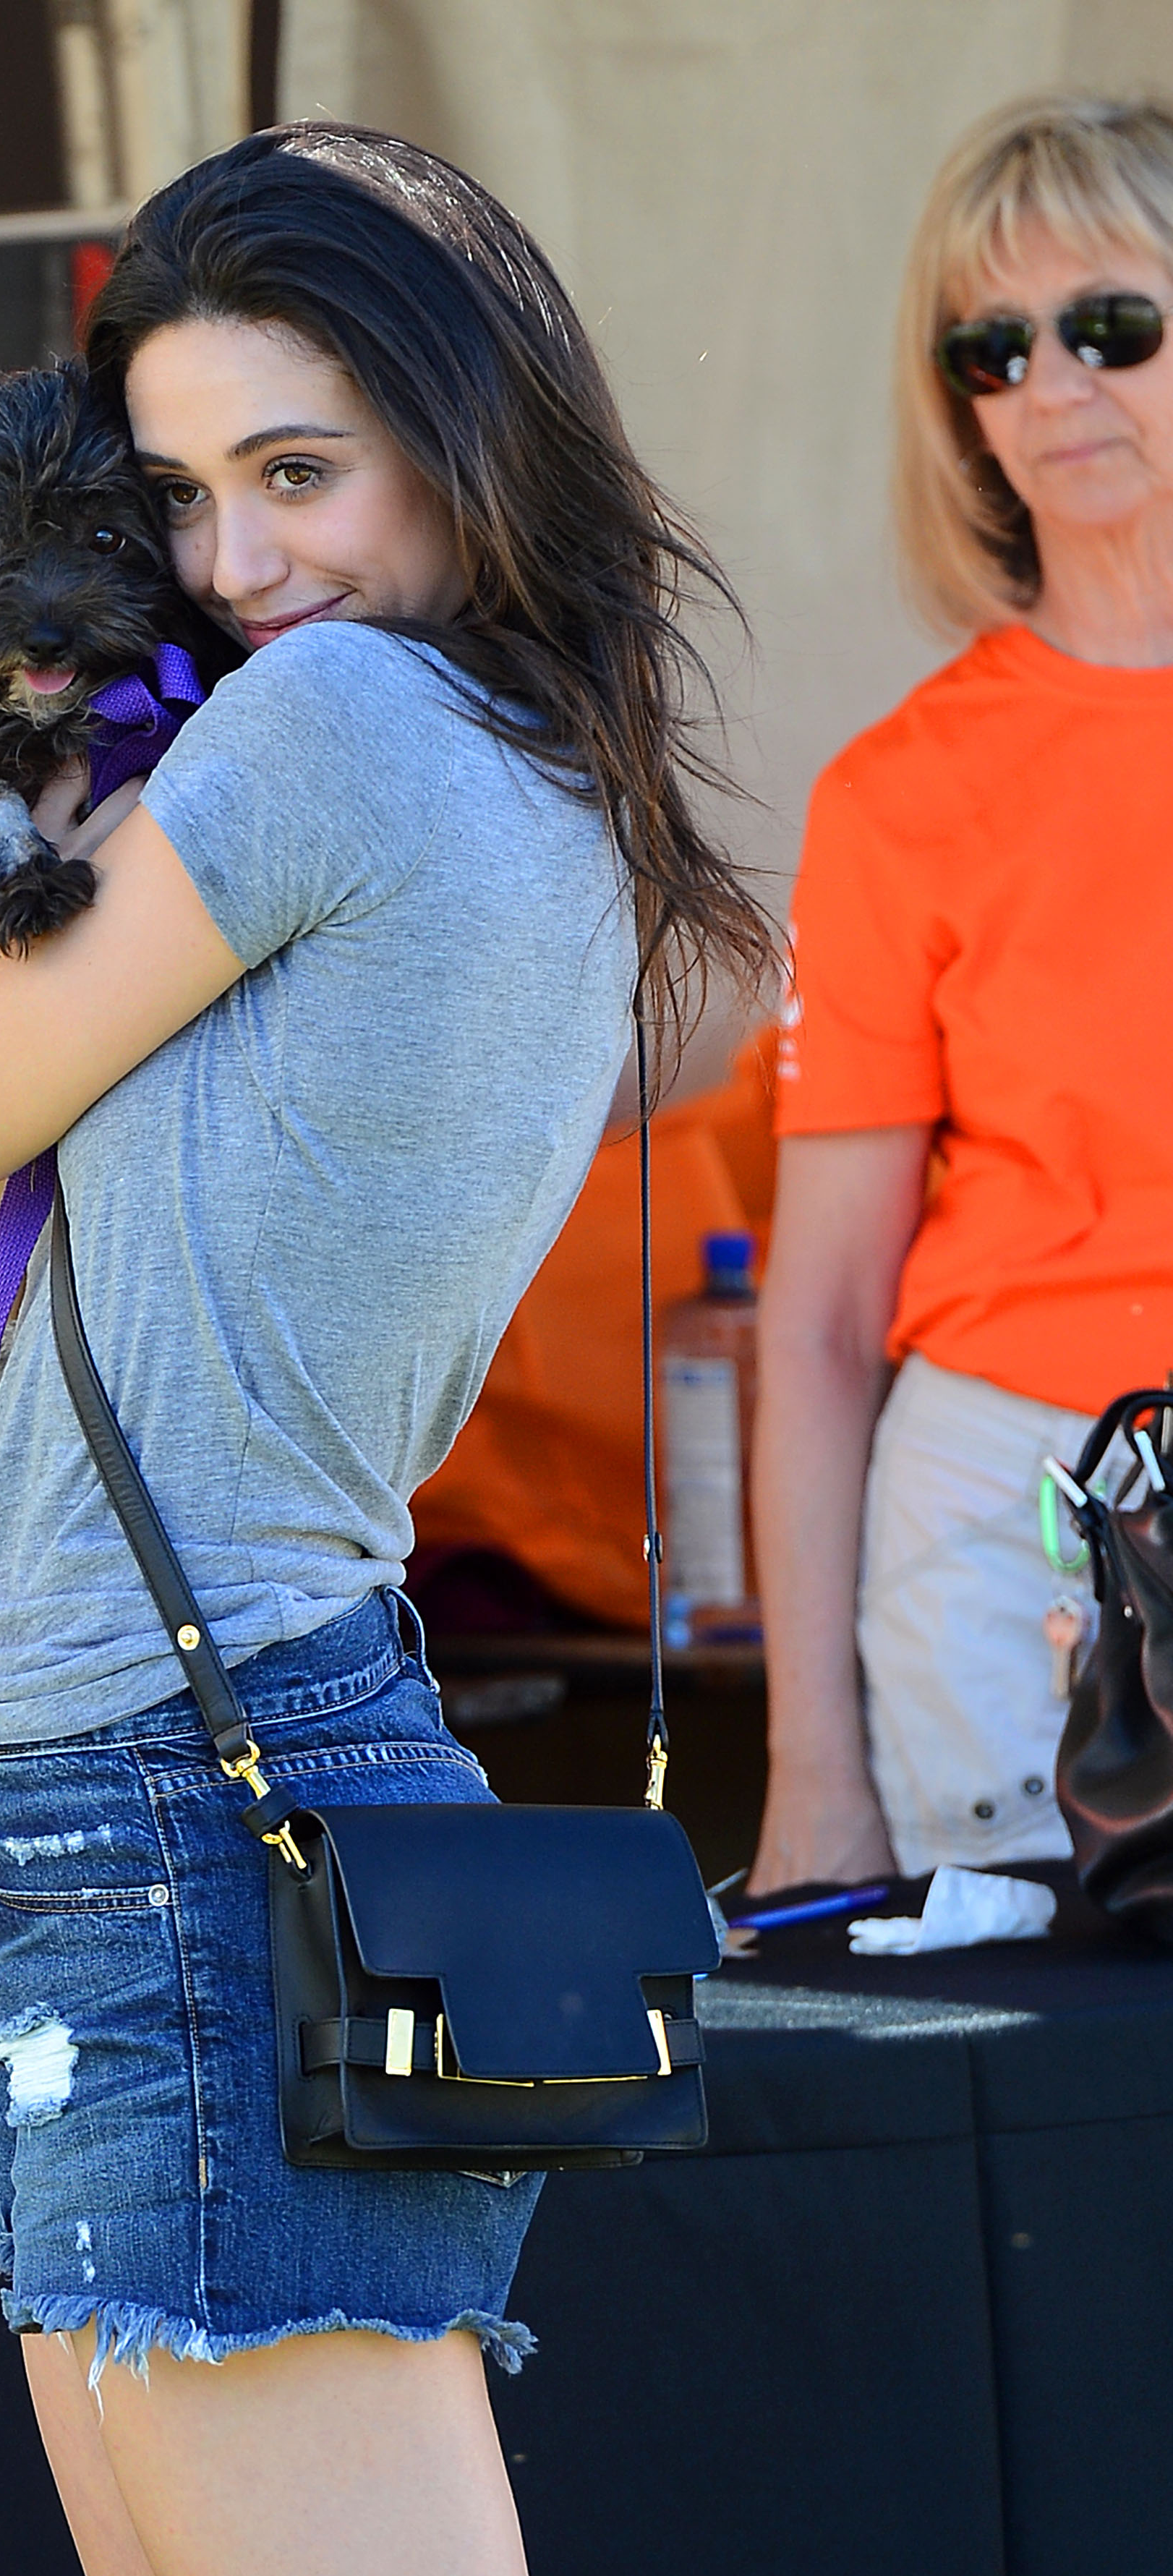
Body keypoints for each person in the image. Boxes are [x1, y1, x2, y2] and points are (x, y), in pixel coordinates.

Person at [0, 124, 770, 2576]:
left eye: (300, 472)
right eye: (177, 498)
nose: (236, 564)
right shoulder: (506, 758)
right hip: (123, 1768)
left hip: (178, 1780)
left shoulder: (333, 721)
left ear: (469, 440)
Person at [750, 94, 1173, 1896]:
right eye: (992, 350)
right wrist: (808, 1775)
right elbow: (824, 1318)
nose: (1053, 385)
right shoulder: (897, 794)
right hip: (1007, 1527)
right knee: (1035, 2064)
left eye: (1113, 324)